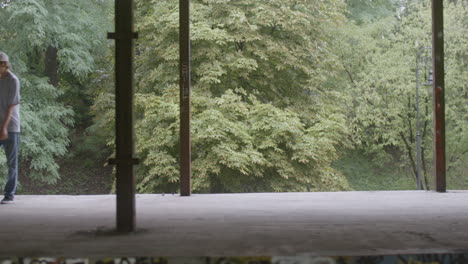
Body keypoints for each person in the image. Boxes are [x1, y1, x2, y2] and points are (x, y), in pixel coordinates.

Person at [0, 51, 20, 204]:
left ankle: (9, 194)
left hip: (10, 127)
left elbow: (11, 107)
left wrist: (4, 128)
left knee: (11, 162)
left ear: (4, 65)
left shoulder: (13, 80)